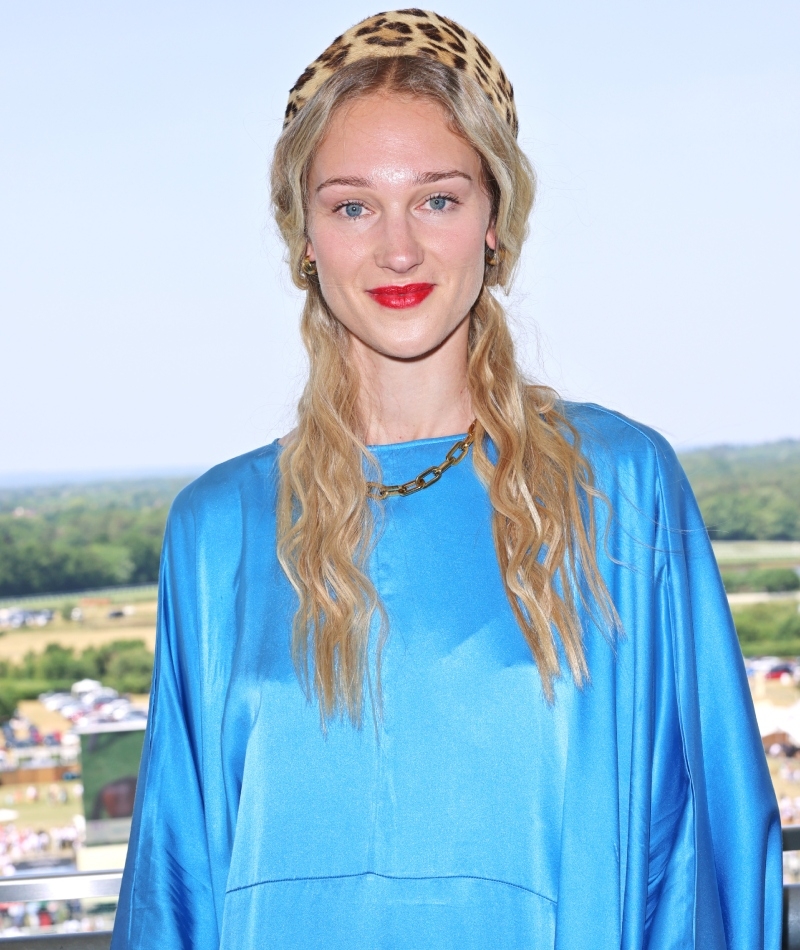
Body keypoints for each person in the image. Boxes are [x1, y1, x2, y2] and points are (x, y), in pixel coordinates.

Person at [111, 11, 781, 949]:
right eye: (352, 205)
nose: (397, 249)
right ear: (303, 236)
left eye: (437, 199)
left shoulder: (622, 489)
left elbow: (705, 849)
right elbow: (173, 885)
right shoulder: (216, 530)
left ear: (495, 219)